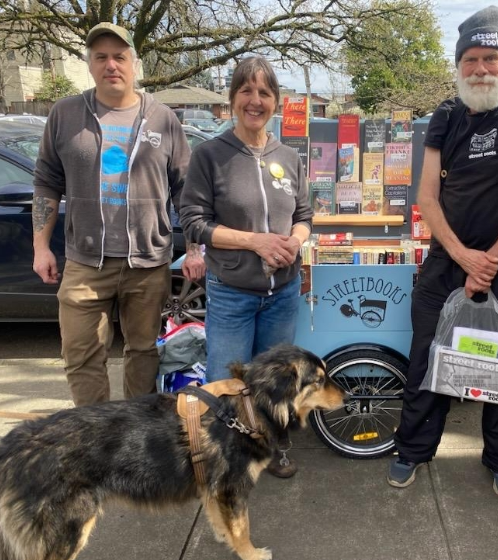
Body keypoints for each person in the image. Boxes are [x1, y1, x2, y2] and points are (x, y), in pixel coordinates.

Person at [387, 5, 498, 498]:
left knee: (497, 365)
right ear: (458, 66)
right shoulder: (445, 116)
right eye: (471, 60)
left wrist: (487, 263)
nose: (480, 69)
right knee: (426, 360)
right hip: (447, 262)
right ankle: (413, 451)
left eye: (491, 58)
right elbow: (426, 197)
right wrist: (464, 257)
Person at [31, 22, 190, 406]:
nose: (111, 65)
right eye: (101, 57)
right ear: (90, 65)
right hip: (85, 261)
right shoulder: (66, 114)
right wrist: (41, 246)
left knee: (143, 355)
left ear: (134, 64)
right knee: (81, 356)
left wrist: (197, 246)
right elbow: (46, 181)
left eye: (119, 57)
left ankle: (135, 437)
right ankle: (93, 438)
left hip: (147, 262)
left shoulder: (163, 118)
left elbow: (186, 187)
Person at [179, 56, 312, 478]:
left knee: (277, 382)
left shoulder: (289, 157)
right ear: (232, 98)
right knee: (227, 383)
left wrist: (293, 242)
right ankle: (222, 460)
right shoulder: (209, 156)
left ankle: (274, 446)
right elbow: (194, 222)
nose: (255, 100)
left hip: (284, 294)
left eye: (265, 93)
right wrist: (256, 241)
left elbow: (305, 215)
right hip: (233, 293)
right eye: (246, 91)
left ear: (276, 101)